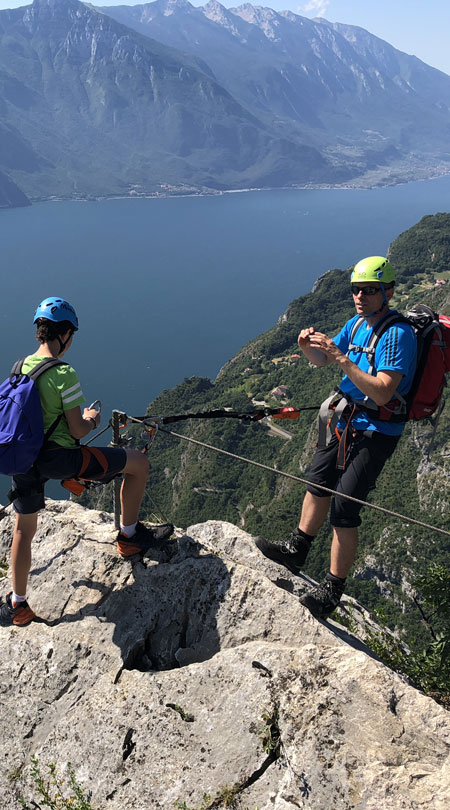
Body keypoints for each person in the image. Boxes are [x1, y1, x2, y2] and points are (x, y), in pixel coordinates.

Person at [255, 257, 417, 619]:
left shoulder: (397, 335)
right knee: (318, 482)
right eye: (356, 290)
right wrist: (305, 347)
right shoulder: (357, 323)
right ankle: (296, 550)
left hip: (377, 429)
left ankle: (332, 590)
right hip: (346, 419)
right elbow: (321, 360)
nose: (360, 296)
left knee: (345, 507)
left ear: (387, 292)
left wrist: (342, 359)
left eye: (369, 290)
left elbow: (383, 393)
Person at [0, 297, 173, 627]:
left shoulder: (19, 366)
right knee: (137, 464)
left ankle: (17, 604)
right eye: (72, 335)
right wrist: (93, 418)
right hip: (60, 459)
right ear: (64, 334)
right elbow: (77, 428)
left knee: (24, 528)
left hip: (23, 458)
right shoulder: (64, 374)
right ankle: (129, 538)